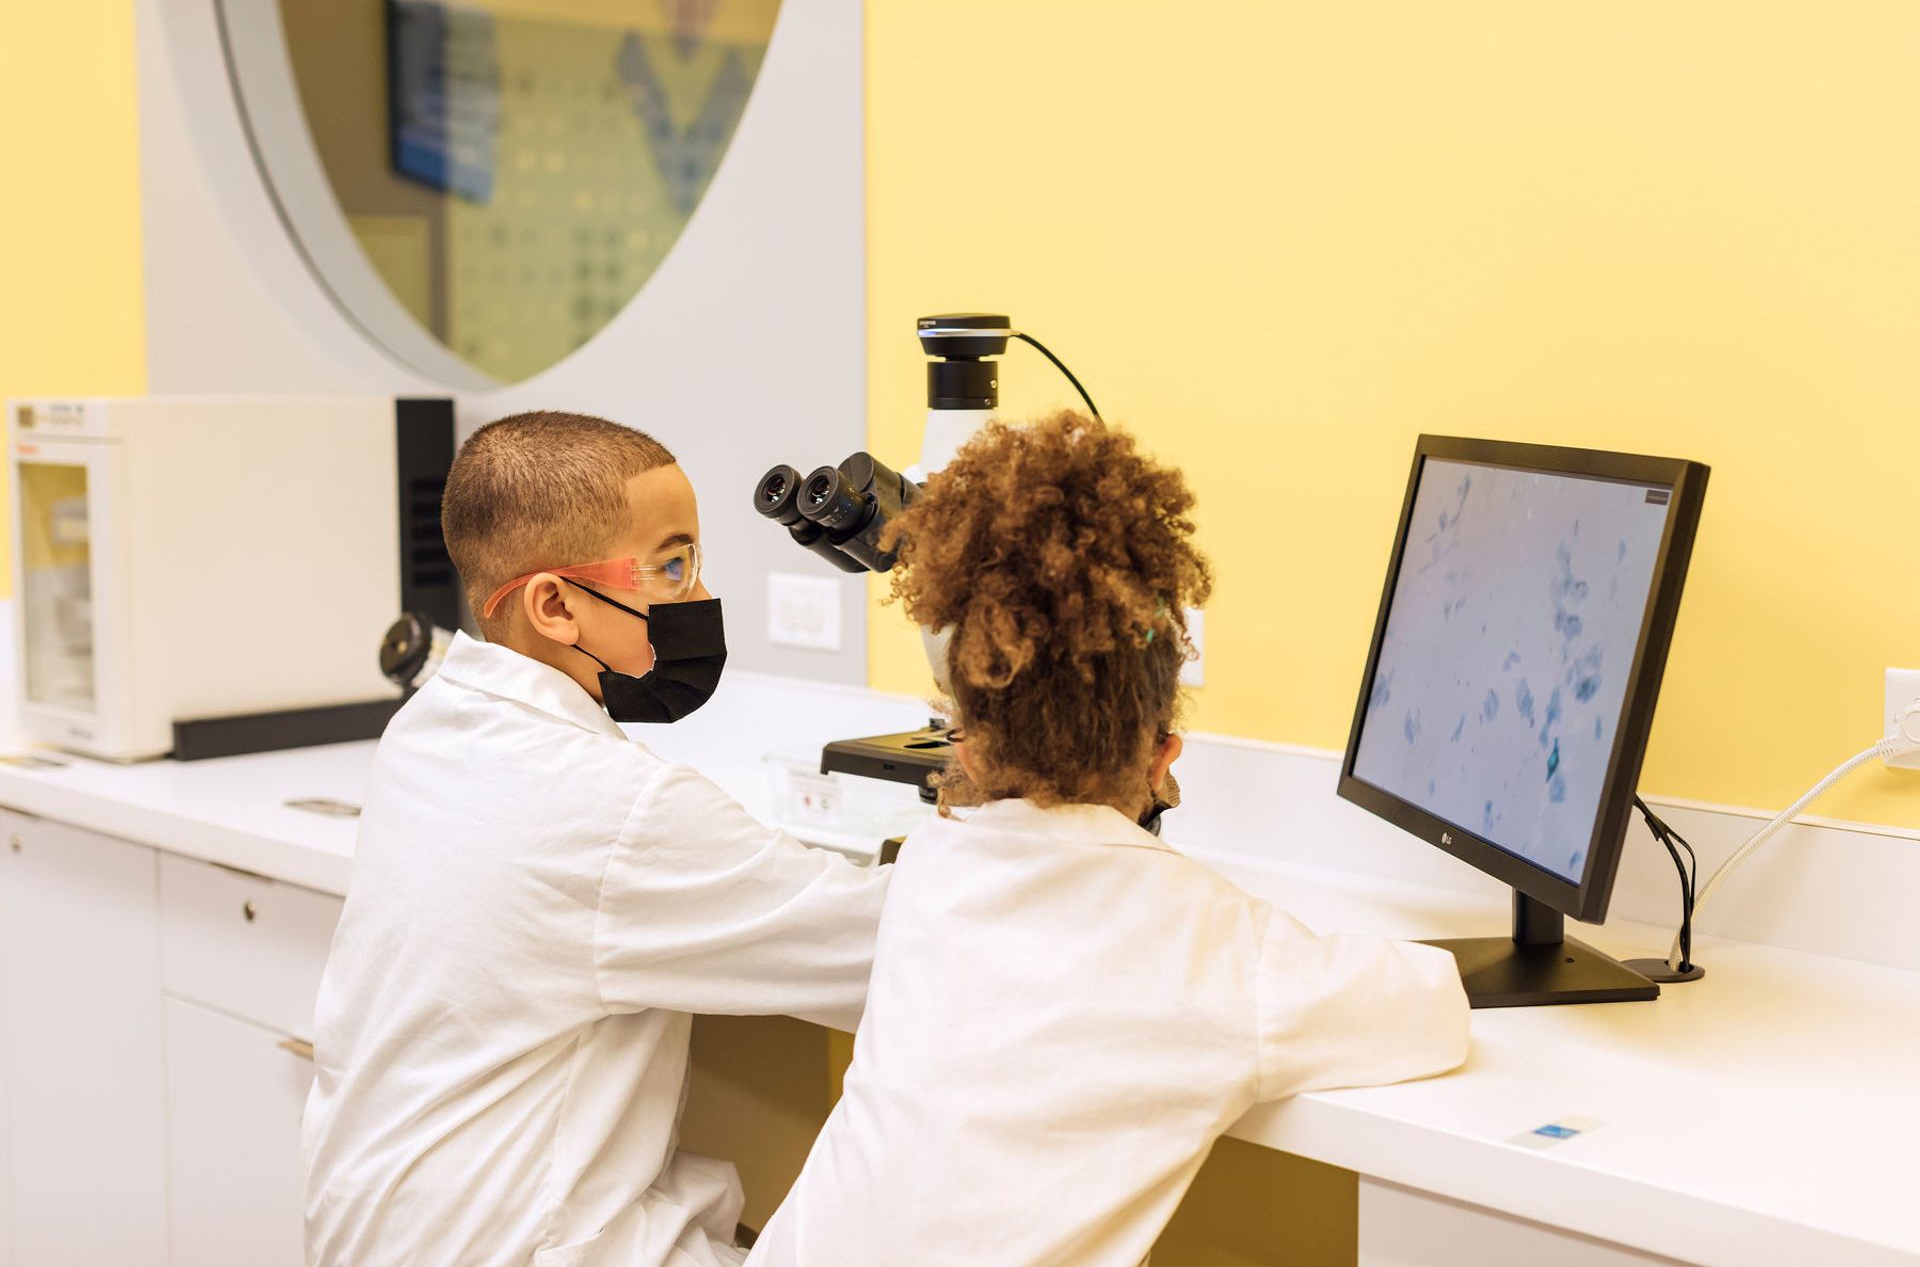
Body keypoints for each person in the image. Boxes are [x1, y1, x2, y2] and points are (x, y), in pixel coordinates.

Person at [749, 411, 1470, 1265]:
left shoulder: (932, 871)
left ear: (965, 742)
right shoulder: (1216, 946)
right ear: (1164, 753)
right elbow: (1433, 1008)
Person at [303, 411, 889, 1267]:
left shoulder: (432, 728)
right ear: (554, 603)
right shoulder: (612, 811)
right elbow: (894, 951)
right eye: (673, 565)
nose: (697, 598)